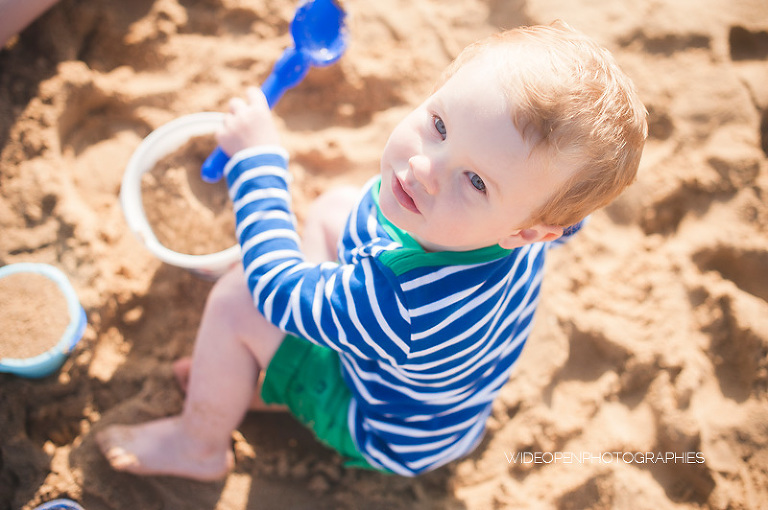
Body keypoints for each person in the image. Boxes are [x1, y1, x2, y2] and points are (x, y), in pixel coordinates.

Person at [96, 21, 647, 479]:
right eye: (439, 124)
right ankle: (260, 372)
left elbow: (273, 290)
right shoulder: (531, 215)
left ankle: (198, 445)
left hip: (379, 425)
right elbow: (559, 203)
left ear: (529, 231)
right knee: (338, 206)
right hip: (440, 400)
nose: (425, 168)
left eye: (475, 181)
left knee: (235, 300)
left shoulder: (400, 298)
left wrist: (257, 165)